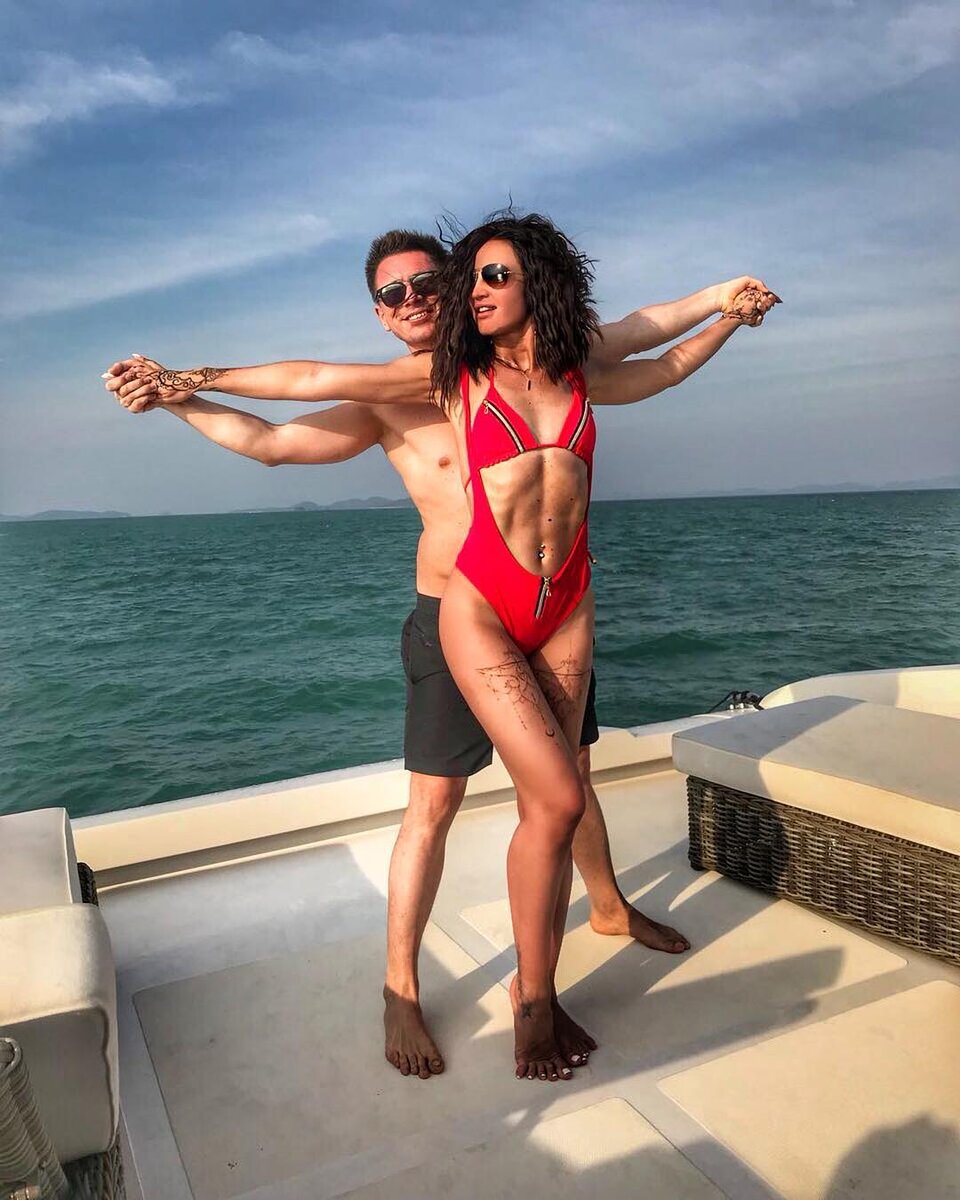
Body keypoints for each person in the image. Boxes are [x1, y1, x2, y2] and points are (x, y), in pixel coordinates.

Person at [107, 213, 778, 1081]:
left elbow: (645, 340)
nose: (416, 298)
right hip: (455, 613)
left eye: (432, 282)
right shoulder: (401, 393)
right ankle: (402, 987)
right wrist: (180, 391)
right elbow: (277, 432)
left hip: (554, 603)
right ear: (381, 313)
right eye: (395, 294)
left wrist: (724, 304)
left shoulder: (547, 360)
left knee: (569, 778)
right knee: (436, 805)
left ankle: (607, 906)